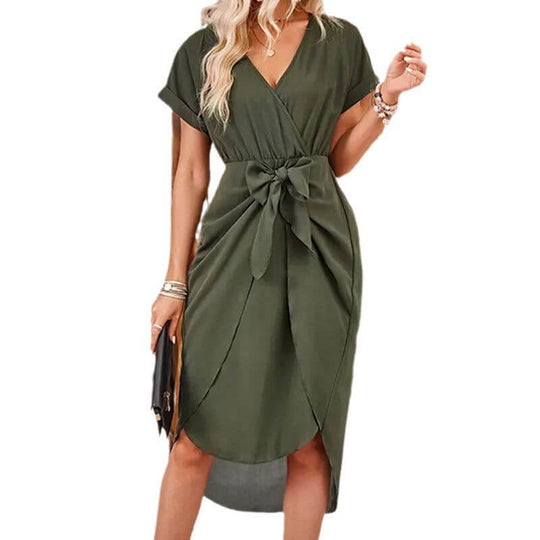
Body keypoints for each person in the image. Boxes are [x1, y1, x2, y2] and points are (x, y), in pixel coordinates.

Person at [151, 1, 426, 538]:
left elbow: (337, 159)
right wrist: (174, 284)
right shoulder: (202, 50)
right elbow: (189, 174)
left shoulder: (338, 41)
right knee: (192, 435)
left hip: (319, 244)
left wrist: (387, 96)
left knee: (310, 438)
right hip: (231, 244)